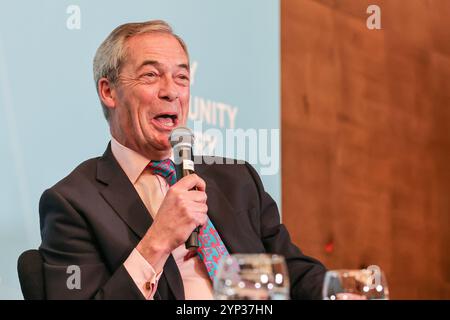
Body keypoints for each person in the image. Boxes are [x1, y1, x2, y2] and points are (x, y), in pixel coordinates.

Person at [38, 20, 326, 300]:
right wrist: (159, 240)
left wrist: (335, 292)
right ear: (108, 91)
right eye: (151, 75)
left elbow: (293, 270)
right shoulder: (72, 204)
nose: (171, 91)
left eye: (182, 77)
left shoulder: (237, 179)